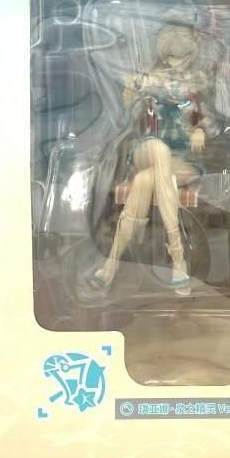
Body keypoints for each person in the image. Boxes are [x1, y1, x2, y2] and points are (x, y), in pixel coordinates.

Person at [91, 21, 219, 295]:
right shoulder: (148, 80)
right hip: (146, 150)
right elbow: (128, 118)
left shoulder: (196, 85)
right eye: (170, 57)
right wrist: (132, 96)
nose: (175, 64)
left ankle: (111, 264)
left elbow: (212, 121)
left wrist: (200, 129)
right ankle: (178, 259)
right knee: (159, 149)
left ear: (191, 54)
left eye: (181, 57)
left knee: (146, 181)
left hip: (182, 160)